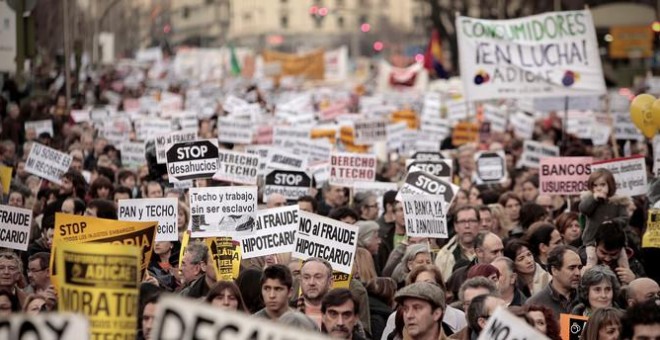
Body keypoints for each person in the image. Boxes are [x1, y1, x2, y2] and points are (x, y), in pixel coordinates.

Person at [579, 169, 629, 270]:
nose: (599, 188)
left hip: (615, 241)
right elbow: (584, 209)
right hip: (592, 240)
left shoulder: (617, 201)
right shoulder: (590, 200)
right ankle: (588, 279)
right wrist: (594, 199)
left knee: (623, 261)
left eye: (602, 185)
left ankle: (625, 282)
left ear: (610, 185)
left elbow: (625, 218)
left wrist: (614, 222)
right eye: (595, 185)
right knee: (591, 260)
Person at [527, 245, 582, 319]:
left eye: (579, 268)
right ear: (554, 270)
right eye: (571, 268)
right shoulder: (535, 304)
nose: (578, 273)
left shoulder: (587, 297)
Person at [580, 221, 643, 285]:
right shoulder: (581, 260)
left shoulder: (632, 264)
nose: (607, 259)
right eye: (603, 253)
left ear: (621, 249)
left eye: (613, 254)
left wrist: (635, 280)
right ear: (596, 245)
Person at [446, 231, 503, 300]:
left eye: (502, 251)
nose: (500, 256)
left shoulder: (510, 273)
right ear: (479, 252)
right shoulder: (458, 276)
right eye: (495, 252)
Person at [435, 206, 479, 279]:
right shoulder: (444, 255)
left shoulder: (491, 249)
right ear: (455, 226)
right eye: (462, 221)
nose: (467, 226)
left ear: (479, 224)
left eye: (471, 221)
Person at [298, 257, 334, 328]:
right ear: (300, 281)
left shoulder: (343, 314)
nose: (312, 283)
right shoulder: (286, 312)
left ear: (330, 282)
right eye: (306, 277)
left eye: (318, 277)